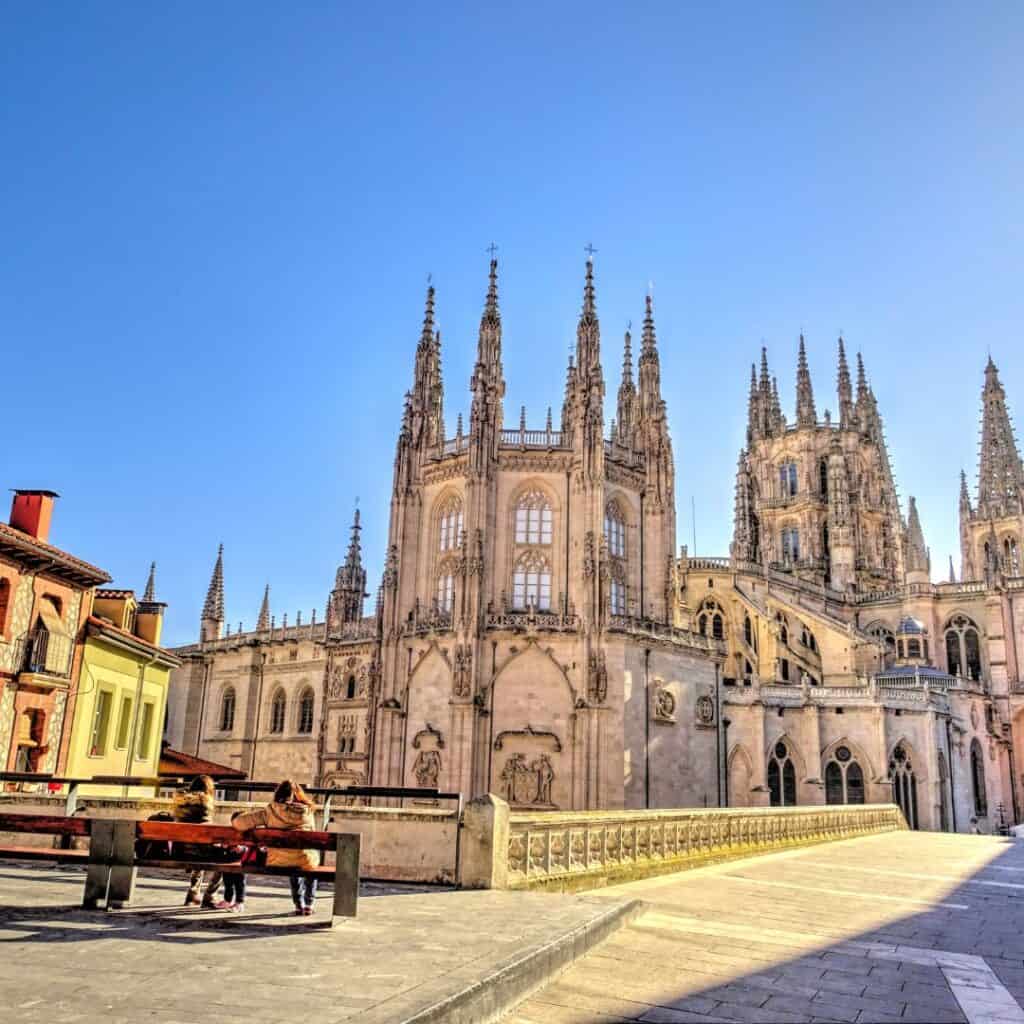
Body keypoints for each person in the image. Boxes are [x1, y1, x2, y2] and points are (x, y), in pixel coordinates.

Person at [232, 779, 319, 916]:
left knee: (289, 858)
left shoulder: (270, 811)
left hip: (277, 859)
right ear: (299, 796)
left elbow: (238, 823)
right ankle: (309, 904)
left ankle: (298, 904)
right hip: (304, 860)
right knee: (306, 859)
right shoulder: (307, 812)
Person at [172, 774, 221, 907]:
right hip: (199, 851)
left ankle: (193, 894)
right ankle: (210, 895)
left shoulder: (179, 802)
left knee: (197, 847)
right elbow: (207, 829)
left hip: (180, 852)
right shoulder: (206, 804)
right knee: (227, 857)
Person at [214, 812, 249, 913]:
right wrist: (224, 846)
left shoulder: (247, 832)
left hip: (241, 860)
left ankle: (239, 902)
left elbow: (250, 846)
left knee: (240, 883)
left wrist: (242, 848)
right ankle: (227, 900)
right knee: (227, 882)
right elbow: (223, 844)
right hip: (229, 859)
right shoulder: (229, 831)